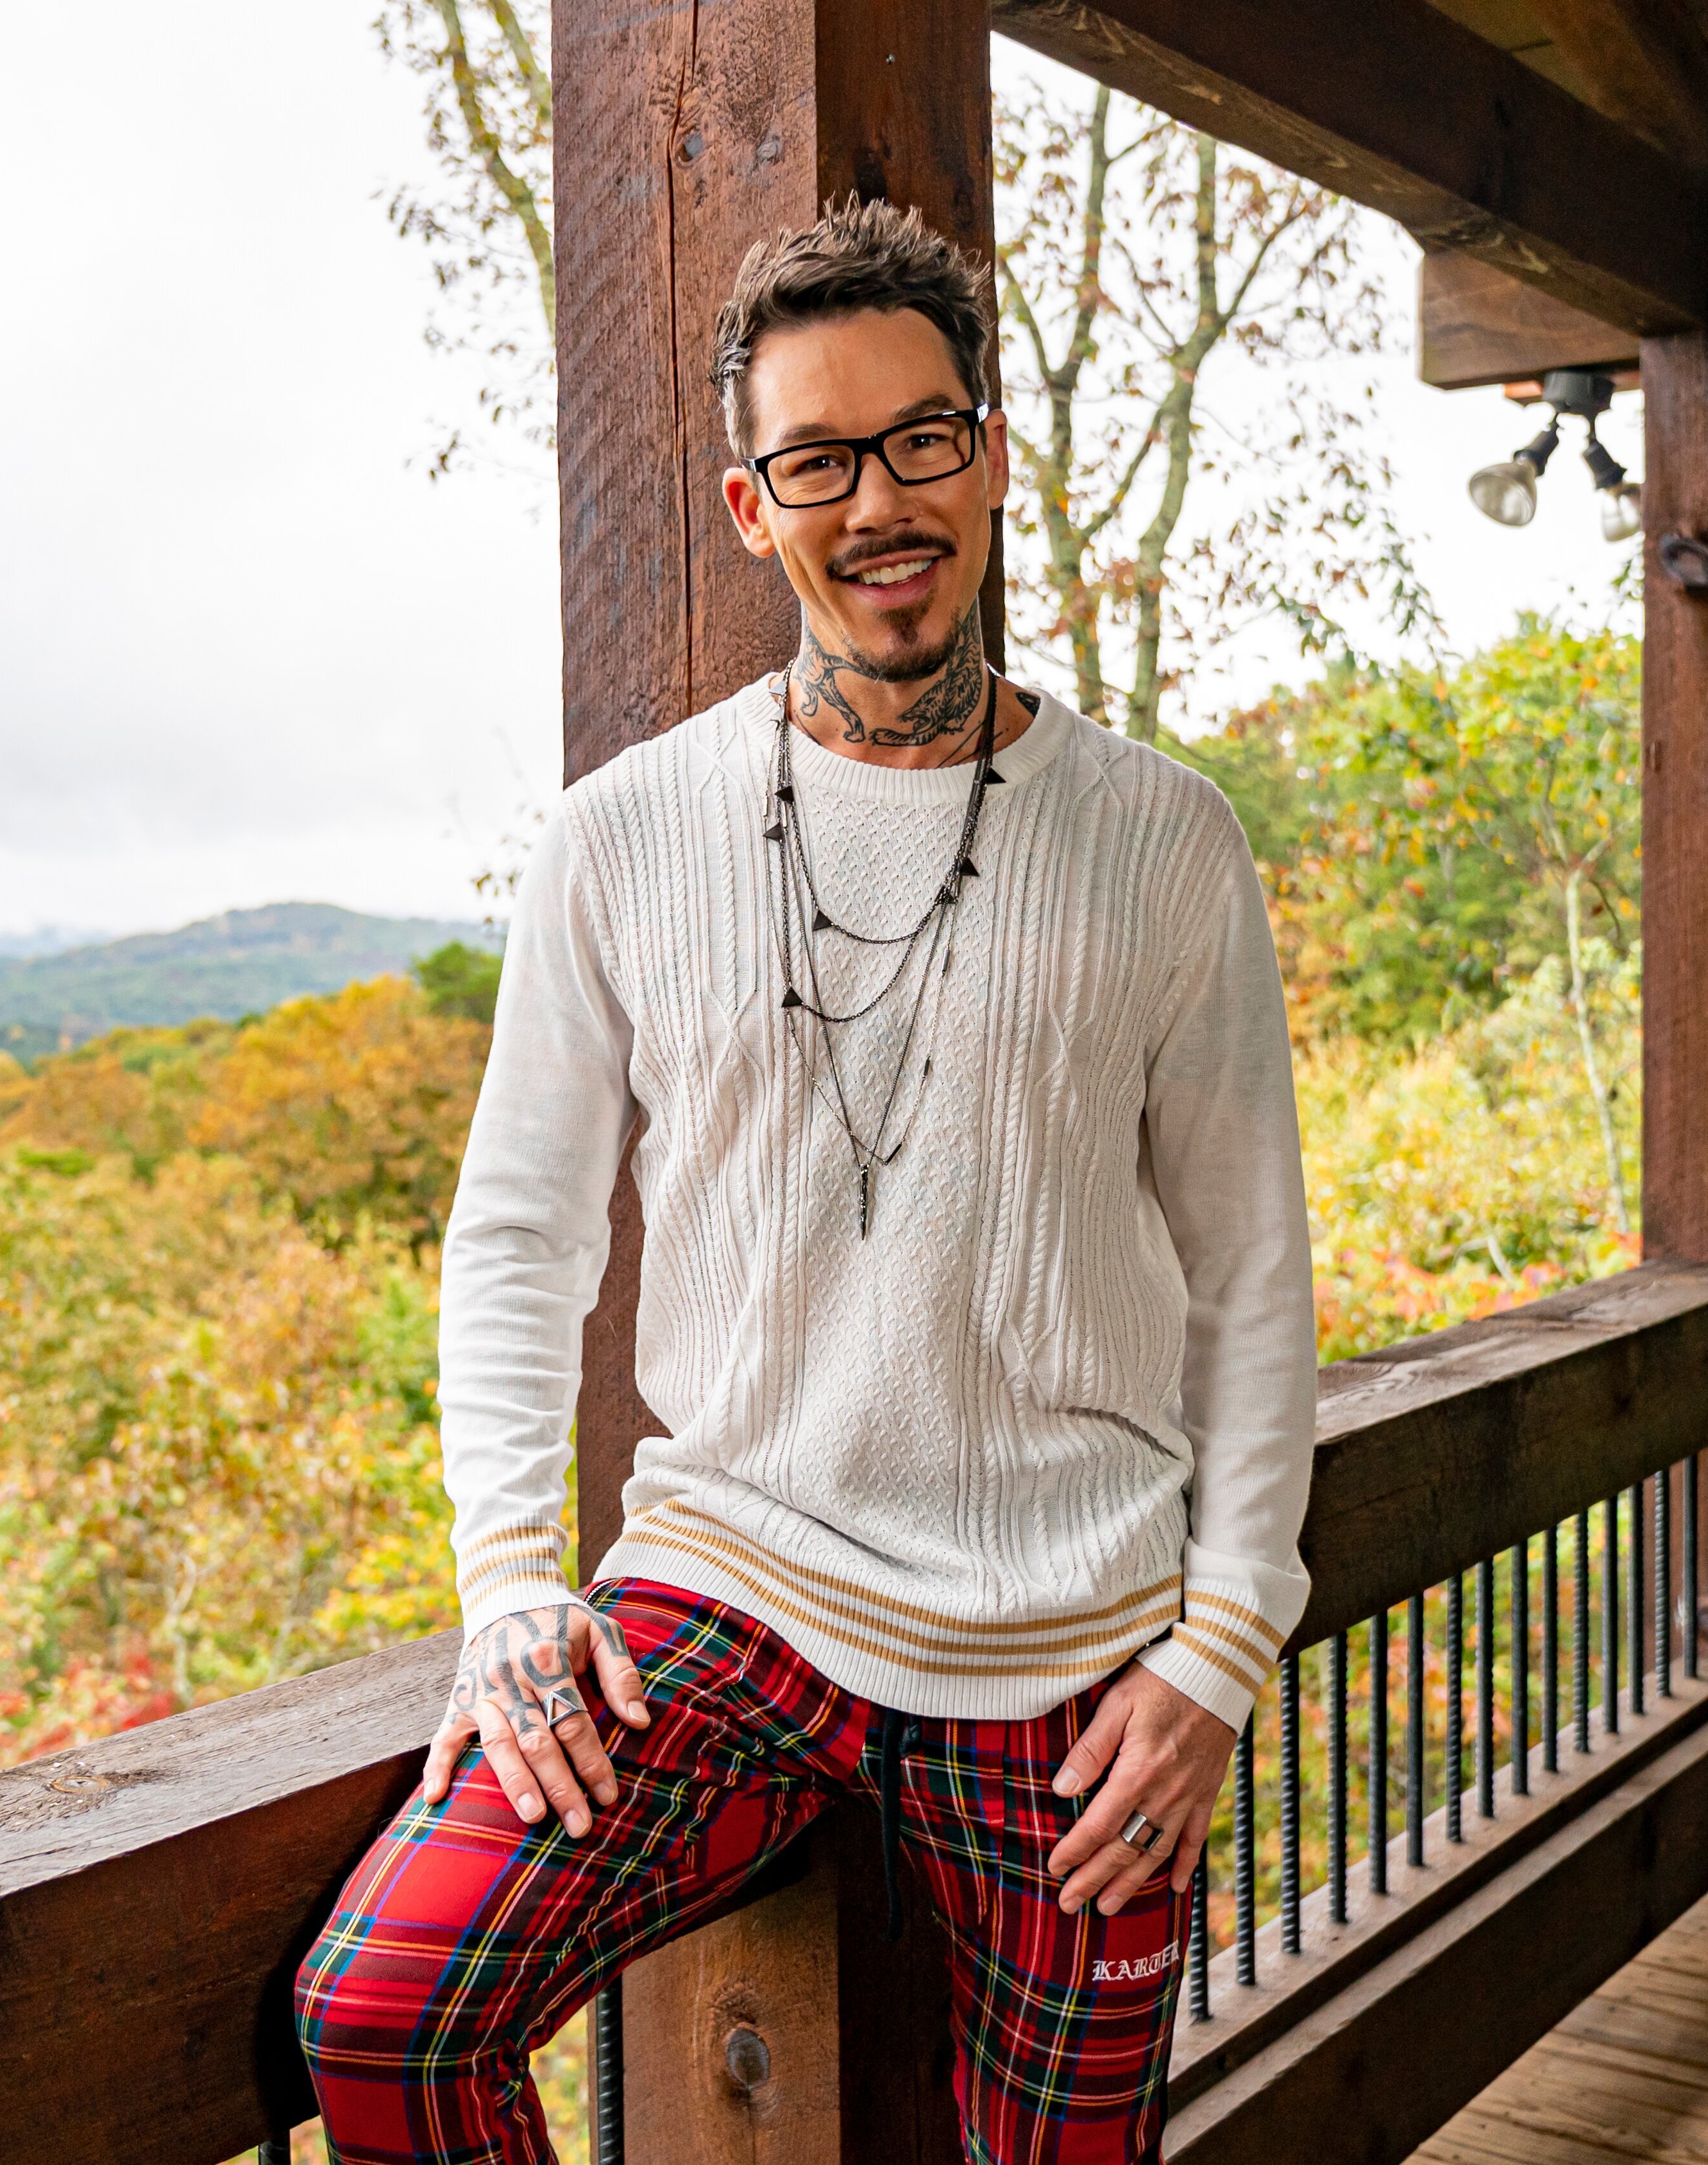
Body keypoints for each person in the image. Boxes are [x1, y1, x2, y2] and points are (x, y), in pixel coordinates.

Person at [294, 196, 1315, 2165]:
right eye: (820, 461)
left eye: (920, 439)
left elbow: (1251, 1276)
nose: (880, 502)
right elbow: (517, 1238)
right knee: (387, 2014)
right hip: (729, 1597)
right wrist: (508, 1583)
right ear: (754, 509)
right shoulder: (618, 838)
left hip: (1072, 1642)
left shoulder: (1166, 844)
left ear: (991, 457)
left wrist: (1221, 1646)